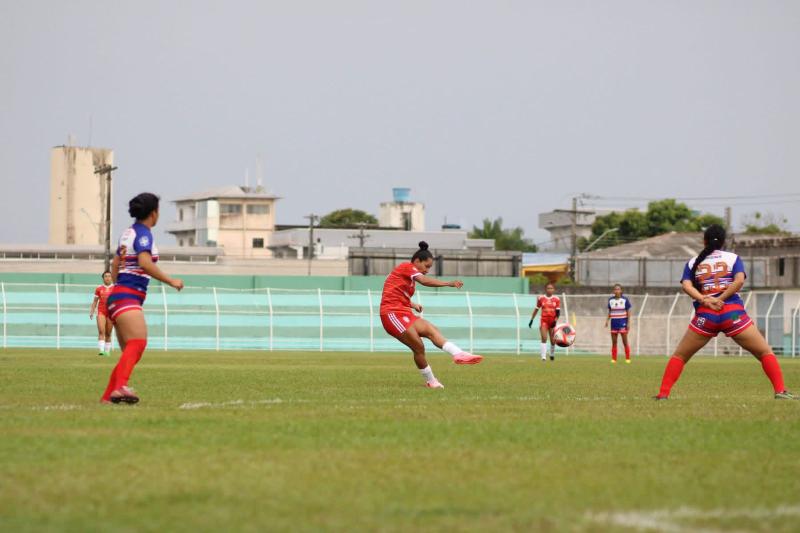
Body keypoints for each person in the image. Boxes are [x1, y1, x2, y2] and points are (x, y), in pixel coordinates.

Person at [654, 224, 795, 400]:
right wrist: (721, 299)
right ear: (723, 242)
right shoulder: (733, 258)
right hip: (733, 315)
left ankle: (663, 394)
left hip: (707, 316)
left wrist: (704, 299)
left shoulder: (693, 262)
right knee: (765, 352)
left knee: (680, 356)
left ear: (704, 241)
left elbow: (686, 285)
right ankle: (780, 391)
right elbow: (739, 281)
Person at [101, 193, 184, 404]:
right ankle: (120, 388)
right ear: (153, 213)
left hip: (118, 296)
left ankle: (108, 396)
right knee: (138, 343)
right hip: (127, 296)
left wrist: (116, 289)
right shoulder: (143, 234)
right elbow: (145, 262)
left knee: (131, 351)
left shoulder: (127, 233)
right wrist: (171, 280)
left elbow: (115, 264)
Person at [380, 241, 483, 389]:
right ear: (417, 261)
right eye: (427, 266)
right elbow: (423, 281)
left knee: (430, 329)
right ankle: (431, 381)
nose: (427, 270)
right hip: (391, 315)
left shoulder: (406, 275)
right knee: (419, 347)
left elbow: (394, 294)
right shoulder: (406, 267)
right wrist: (448, 283)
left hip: (403, 312)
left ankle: (458, 354)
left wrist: (412, 304)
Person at [529, 282, 560, 361]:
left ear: (554, 290)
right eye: (548, 288)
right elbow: (536, 309)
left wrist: (555, 321)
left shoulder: (556, 299)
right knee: (544, 338)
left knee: (553, 340)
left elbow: (558, 312)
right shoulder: (541, 298)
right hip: (544, 321)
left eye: (551, 288)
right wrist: (531, 320)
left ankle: (552, 354)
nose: (550, 290)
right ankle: (543, 357)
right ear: (545, 289)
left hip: (552, 321)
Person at [605, 284, 632, 364]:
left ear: (621, 291)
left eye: (618, 289)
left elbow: (628, 311)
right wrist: (607, 320)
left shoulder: (625, 300)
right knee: (614, 342)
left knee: (625, 341)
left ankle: (627, 358)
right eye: (615, 289)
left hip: (623, 322)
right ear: (614, 291)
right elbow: (610, 311)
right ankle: (614, 359)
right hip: (614, 323)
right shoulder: (611, 300)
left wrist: (628, 322)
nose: (617, 291)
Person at [89, 271, 114, 356]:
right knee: (101, 331)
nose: (107, 278)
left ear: (111, 278)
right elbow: (95, 301)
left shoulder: (115, 288)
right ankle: (101, 351)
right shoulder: (99, 288)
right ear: (103, 278)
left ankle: (107, 352)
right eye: (106, 276)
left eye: (109, 276)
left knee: (108, 333)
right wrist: (92, 311)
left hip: (111, 313)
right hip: (101, 312)